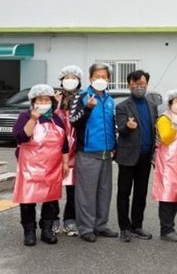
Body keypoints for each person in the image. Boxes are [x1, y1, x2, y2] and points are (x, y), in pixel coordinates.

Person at [12, 84, 69, 246]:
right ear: (33, 101)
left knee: (51, 200)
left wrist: (65, 163)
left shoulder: (56, 118)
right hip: (30, 168)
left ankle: (47, 230)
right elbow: (20, 137)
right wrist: (33, 119)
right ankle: (29, 231)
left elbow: (64, 144)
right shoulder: (25, 116)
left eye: (47, 100)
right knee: (28, 200)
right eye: (40, 99)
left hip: (52, 166)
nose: (43, 102)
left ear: (52, 101)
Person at [70, 63, 118, 242]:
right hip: (88, 151)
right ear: (90, 78)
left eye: (104, 77)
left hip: (107, 153)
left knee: (104, 191)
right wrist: (88, 108)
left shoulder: (110, 100)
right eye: (97, 76)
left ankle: (101, 225)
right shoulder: (81, 96)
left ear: (108, 80)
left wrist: (116, 145)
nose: (100, 79)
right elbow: (73, 121)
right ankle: (86, 227)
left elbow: (113, 125)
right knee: (86, 192)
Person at [115, 70, 158, 242]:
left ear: (147, 84)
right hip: (128, 155)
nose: (139, 87)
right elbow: (120, 130)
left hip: (146, 155)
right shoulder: (122, 106)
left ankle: (137, 226)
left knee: (141, 193)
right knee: (124, 193)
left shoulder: (151, 105)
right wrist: (128, 126)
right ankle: (124, 228)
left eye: (143, 84)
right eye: (136, 83)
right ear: (129, 85)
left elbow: (155, 129)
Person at [152, 89, 177, 242]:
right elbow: (166, 139)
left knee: (176, 195)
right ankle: (165, 229)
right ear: (170, 103)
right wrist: (174, 126)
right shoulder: (164, 119)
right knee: (167, 195)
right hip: (167, 162)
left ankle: (171, 226)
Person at [52, 65, 83, 237]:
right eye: (67, 77)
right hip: (56, 149)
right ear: (61, 80)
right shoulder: (53, 98)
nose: (70, 80)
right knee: (54, 186)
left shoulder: (83, 98)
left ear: (79, 80)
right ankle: (52, 219)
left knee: (73, 188)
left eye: (73, 77)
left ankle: (70, 220)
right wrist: (54, 104)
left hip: (76, 149)